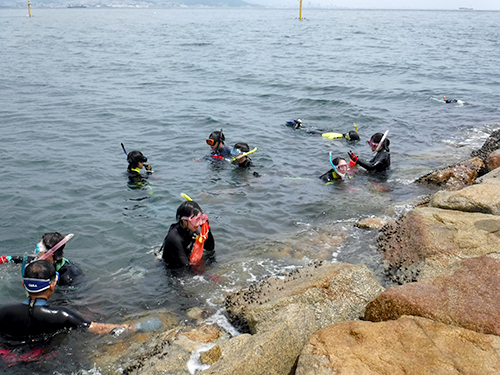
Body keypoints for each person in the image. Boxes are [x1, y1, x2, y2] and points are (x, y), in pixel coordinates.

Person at [0, 260, 141, 345]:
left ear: (24, 284)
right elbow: (100, 329)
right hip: (46, 360)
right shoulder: (61, 314)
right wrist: (136, 327)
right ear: (52, 285)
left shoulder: (4, 311)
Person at [0, 232, 83, 287]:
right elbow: (14, 259)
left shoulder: (68, 275)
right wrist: (4, 259)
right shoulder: (39, 260)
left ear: (50, 255)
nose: (37, 255)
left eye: (39, 252)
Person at [161, 201, 215, 273]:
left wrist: (207, 228)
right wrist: (207, 276)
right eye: (196, 220)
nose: (198, 223)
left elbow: (209, 248)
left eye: (200, 218)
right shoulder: (175, 239)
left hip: (185, 260)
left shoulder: (192, 227)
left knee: (211, 258)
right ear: (184, 220)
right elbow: (185, 267)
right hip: (173, 268)